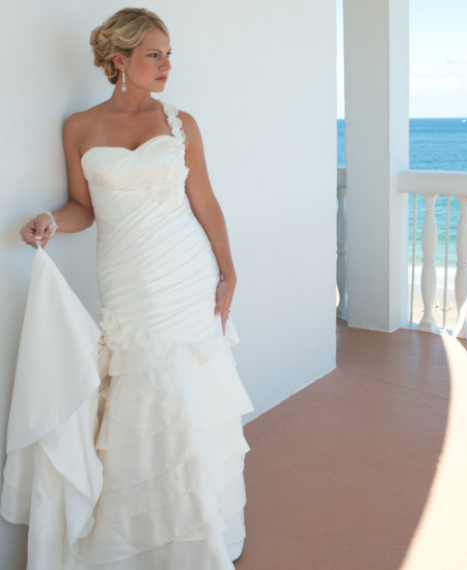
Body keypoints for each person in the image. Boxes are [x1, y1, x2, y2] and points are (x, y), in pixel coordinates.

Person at [13, 7, 255, 569]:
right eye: (154, 54)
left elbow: (206, 202)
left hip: (186, 275)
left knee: (186, 395)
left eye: (169, 54)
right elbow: (83, 207)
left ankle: (201, 537)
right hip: (127, 281)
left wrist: (229, 269)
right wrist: (49, 219)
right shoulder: (79, 127)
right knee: (141, 400)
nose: (167, 65)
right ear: (119, 60)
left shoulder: (180, 123)